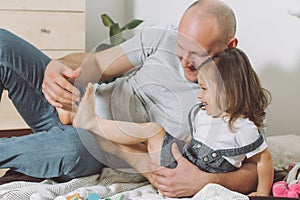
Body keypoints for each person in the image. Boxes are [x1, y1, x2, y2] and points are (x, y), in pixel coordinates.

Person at [0, 0, 258, 197]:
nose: (184, 60)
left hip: (99, 147)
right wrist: (60, 68)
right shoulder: (162, 39)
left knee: (80, 145)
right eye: (181, 46)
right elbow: (97, 62)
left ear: (230, 45)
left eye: (198, 53)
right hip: (70, 103)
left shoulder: (231, 94)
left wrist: (208, 180)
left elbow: (254, 166)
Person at [72, 47, 274, 197]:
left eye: (204, 89)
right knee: (136, 141)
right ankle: (93, 127)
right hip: (185, 162)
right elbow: (191, 139)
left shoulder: (244, 128)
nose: (199, 95)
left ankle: (92, 122)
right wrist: (177, 148)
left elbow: (264, 160)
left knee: (152, 131)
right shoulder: (204, 114)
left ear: (227, 91)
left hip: (191, 177)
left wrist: (262, 193)